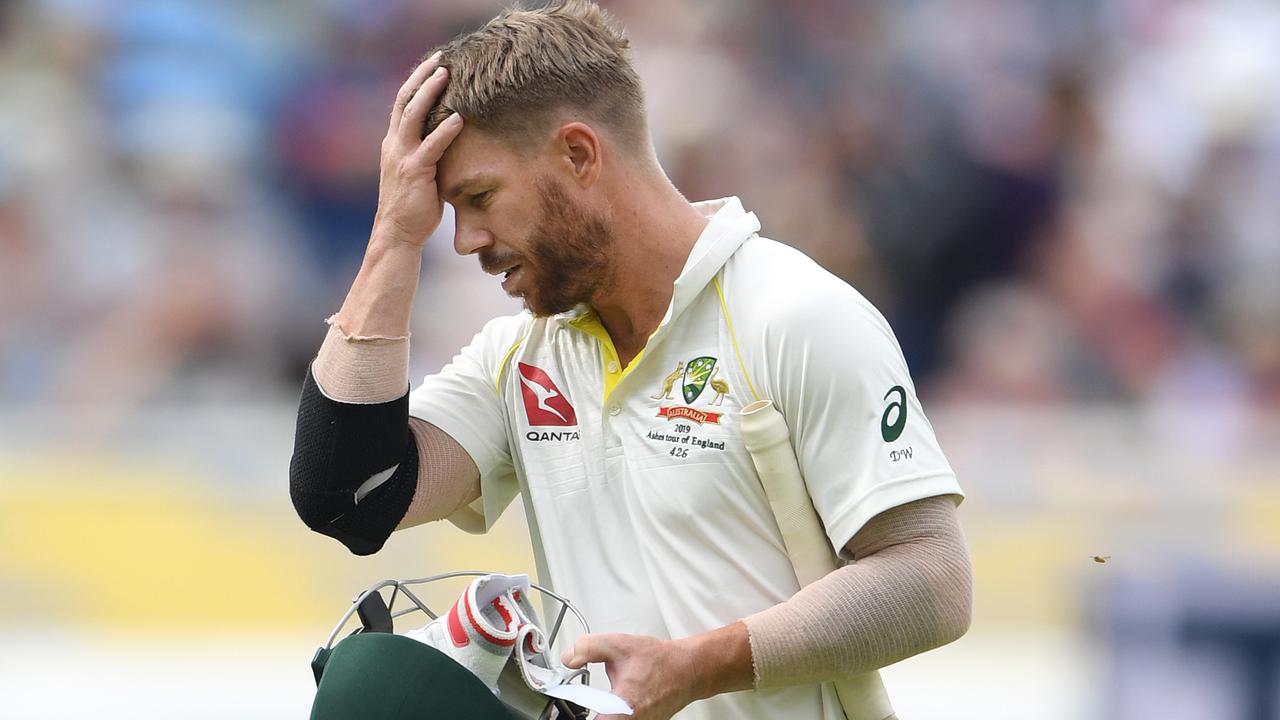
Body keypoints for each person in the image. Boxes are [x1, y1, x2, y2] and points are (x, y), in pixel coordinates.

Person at [289, 2, 972, 719]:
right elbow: (349, 497)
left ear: (579, 154)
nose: (463, 240)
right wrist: (393, 235)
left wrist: (697, 666)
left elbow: (930, 577)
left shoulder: (796, 316)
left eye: (479, 197)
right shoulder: (522, 353)